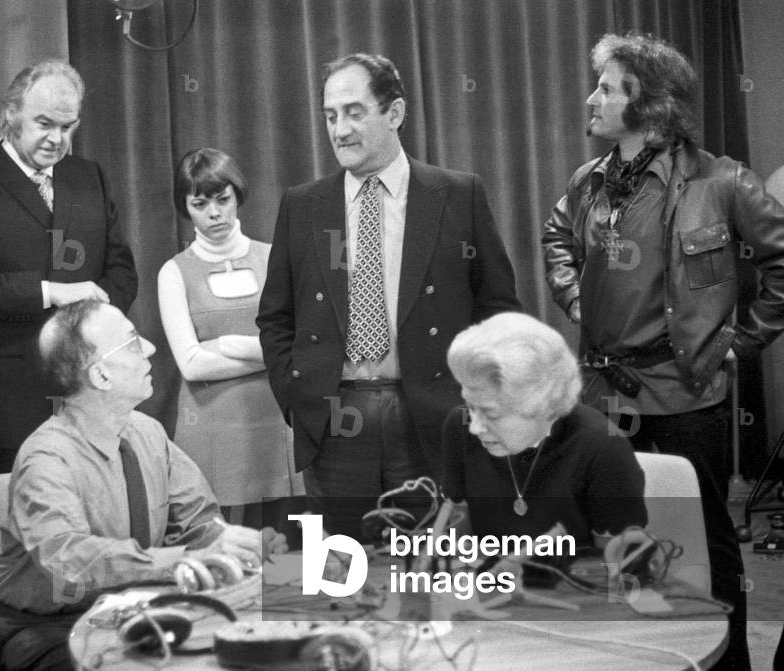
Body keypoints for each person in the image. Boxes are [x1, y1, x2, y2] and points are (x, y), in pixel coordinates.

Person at [541, 33, 784, 669]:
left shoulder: (722, 181)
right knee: (614, 540)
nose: (592, 99)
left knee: (705, 543)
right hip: (603, 397)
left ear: (649, 103)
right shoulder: (589, 181)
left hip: (686, 394)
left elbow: (783, 262)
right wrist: (575, 299)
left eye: (607, 88)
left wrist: (742, 341)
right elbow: (556, 236)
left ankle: (727, 664)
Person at [257, 53, 521, 538]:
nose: (339, 130)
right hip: (333, 422)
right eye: (330, 116)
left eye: (354, 113)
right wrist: (297, 401)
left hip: (433, 421)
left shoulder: (457, 195)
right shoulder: (302, 205)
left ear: (395, 112)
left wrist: (478, 402)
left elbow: (498, 312)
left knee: (431, 572)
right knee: (340, 574)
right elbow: (276, 317)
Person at [0, 299, 283, 671]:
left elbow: (198, 522)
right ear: (101, 376)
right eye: (134, 341)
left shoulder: (147, 432)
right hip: (46, 626)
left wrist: (231, 543)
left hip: (136, 608)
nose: (151, 349)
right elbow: (68, 559)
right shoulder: (46, 458)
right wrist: (182, 560)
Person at [0, 59, 137, 477]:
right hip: (4, 407)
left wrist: (91, 319)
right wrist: (51, 292)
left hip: (89, 398)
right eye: (44, 123)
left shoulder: (90, 177)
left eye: (67, 126)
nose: (56, 139)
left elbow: (122, 272)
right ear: (11, 113)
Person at [158, 148, 303, 529]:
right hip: (212, 433)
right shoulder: (173, 273)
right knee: (228, 553)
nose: (214, 213)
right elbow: (192, 365)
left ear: (238, 196)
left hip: (278, 428)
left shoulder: (275, 258)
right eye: (200, 204)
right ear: (185, 207)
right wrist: (270, 351)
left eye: (222, 199)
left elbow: (299, 349)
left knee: (288, 557)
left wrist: (224, 345)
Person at [441, 313, 647, 566]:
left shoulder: (602, 446)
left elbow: (619, 568)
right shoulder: (458, 427)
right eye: (471, 406)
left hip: (577, 587)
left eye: (491, 414)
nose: (475, 427)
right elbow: (459, 547)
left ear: (541, 403)